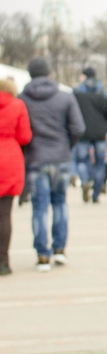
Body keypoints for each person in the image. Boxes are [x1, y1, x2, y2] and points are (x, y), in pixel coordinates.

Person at [19, 57, 85, 272]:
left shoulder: (23, 99)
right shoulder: (65, 97)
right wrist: (66, 145)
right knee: (60, 202)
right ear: (49, 73)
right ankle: (59, 249)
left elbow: (21, 131)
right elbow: (78, 128)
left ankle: (42, 254)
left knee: (39, 206)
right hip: (61, 157)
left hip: (36, 158)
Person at [0, 78, 32, 276]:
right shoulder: (17, 105)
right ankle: (3, 262)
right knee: (4, 215)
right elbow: (25, 136)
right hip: (9, 160)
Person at [73, 67, 107, 203]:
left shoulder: (77, 92)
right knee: (100, 164)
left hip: (83, 132)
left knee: (81, 160)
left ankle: (85, 181)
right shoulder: (103, 92)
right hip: (100, 133)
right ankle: (96, 194)